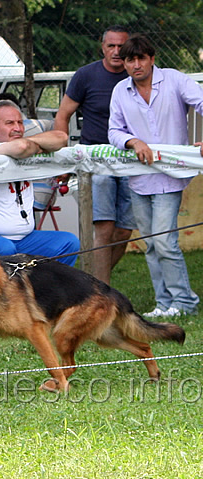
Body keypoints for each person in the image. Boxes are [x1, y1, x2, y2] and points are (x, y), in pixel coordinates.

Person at [109, 34, 202, 318]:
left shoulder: (175, 80)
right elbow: (114, 130)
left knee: (164, 241)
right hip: (138, 177)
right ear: (123, 63)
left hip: (170, 175)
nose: (136, 65)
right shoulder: (120, 90)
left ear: (151, 58)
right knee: (150, 242)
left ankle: (184, 301)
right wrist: (133, 142)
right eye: (129, 60)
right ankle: (164, 304)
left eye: (141, 58)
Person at [0, 100, 78, 264]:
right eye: (10, 123)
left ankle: (46, 289)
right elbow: (21, 148)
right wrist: (34, 145)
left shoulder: (26, 144)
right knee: (6, 250)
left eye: (20, 123)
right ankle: (6, 290)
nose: (18, 128)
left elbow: (61, 137)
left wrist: (31, 144)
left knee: (68, 243)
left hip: (25, 238)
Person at [55, 25, 134, 285]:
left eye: (121, 46)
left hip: (131, 160)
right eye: (111, 46)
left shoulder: (137, 75)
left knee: (123, 231)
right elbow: (63, 115)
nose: (116, 51)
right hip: (97, 160)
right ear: (102, 47)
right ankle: (101, 293)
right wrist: (63, 155)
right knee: (104, 229)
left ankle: (92, 284)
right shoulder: (86, 75)